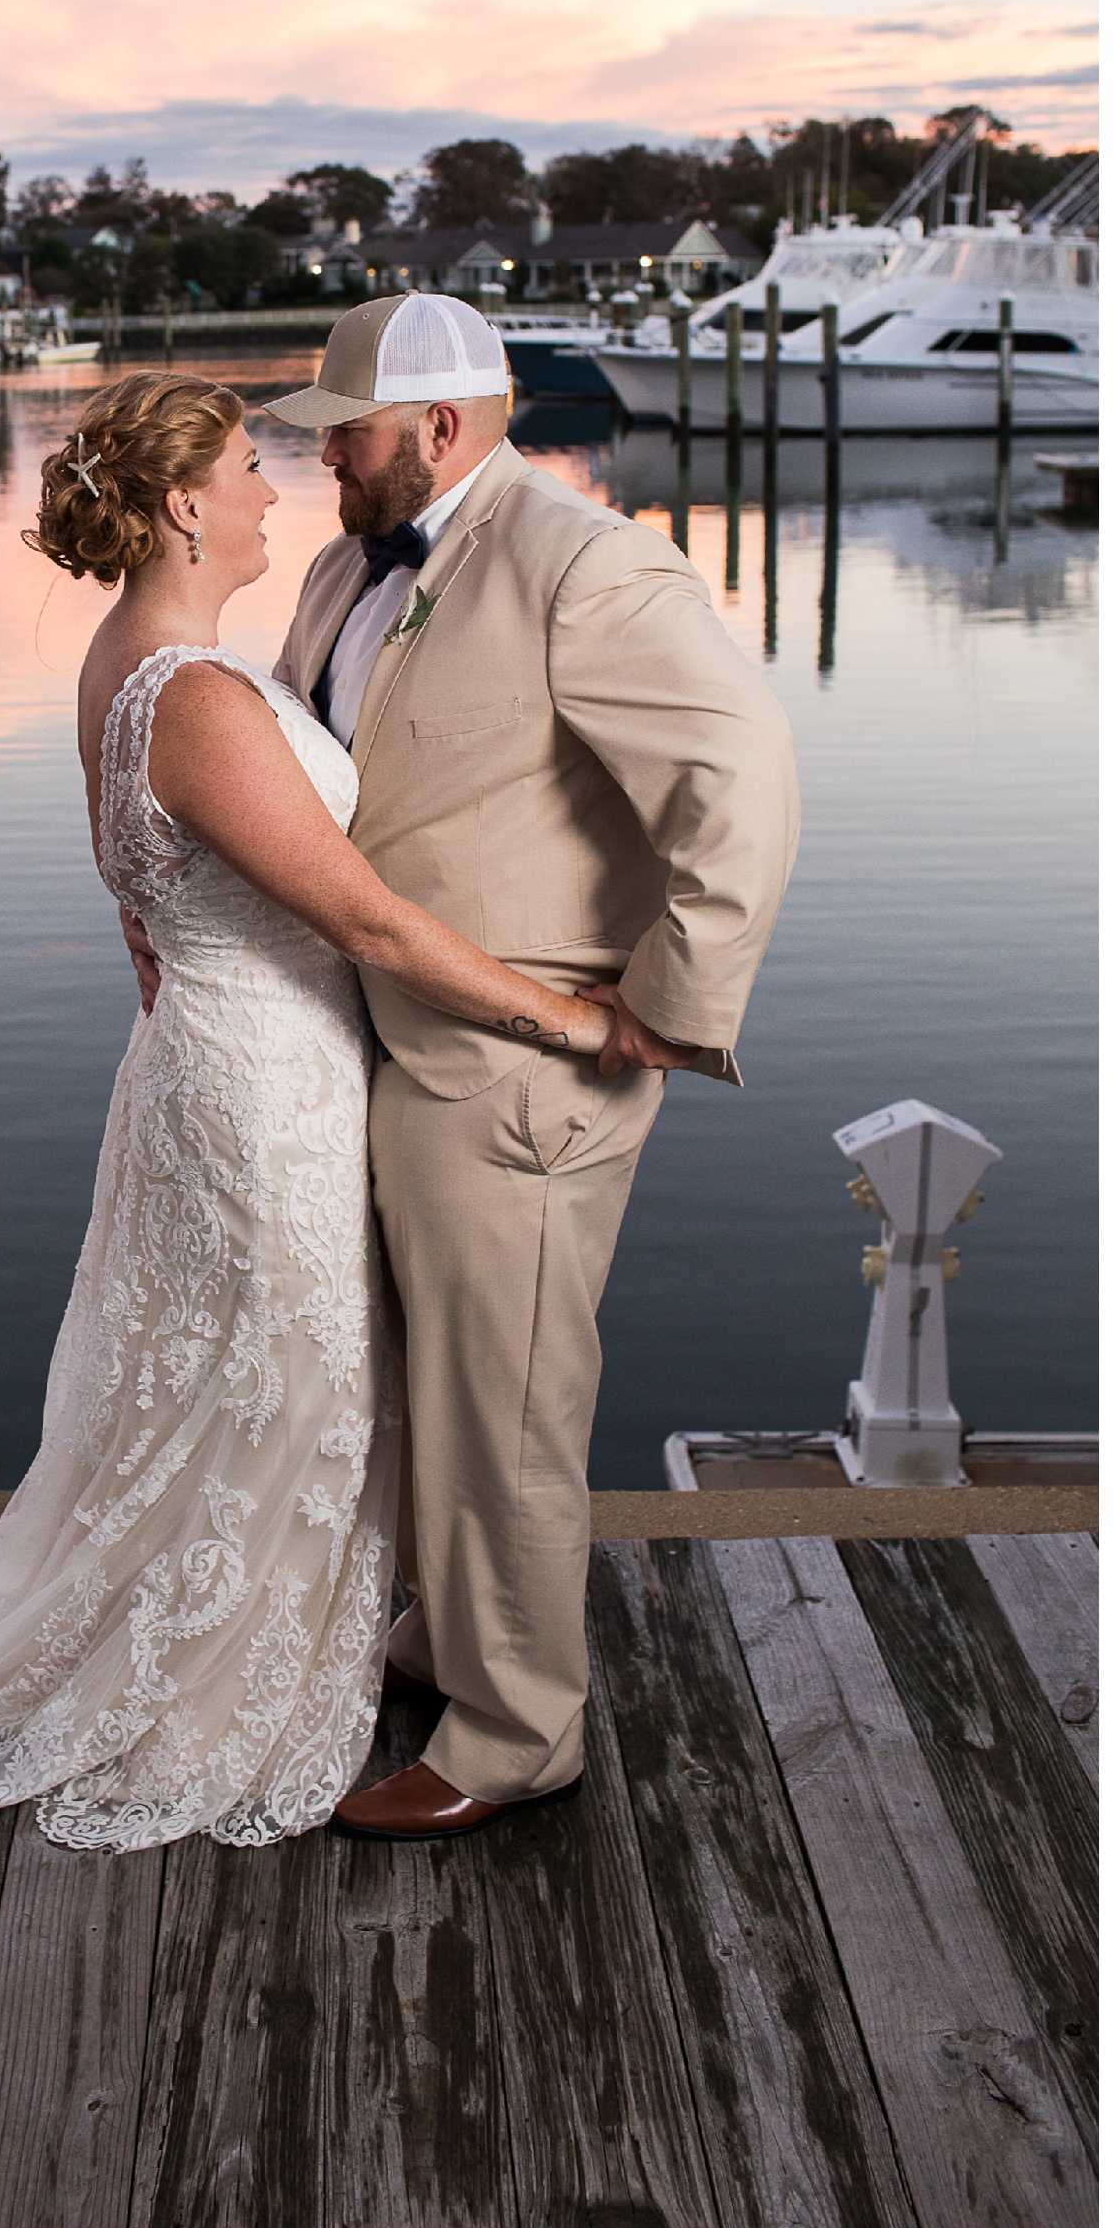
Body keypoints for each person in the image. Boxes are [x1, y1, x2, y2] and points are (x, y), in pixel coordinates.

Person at [0, 370, 628, 1851]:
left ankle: (303, 1607)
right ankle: (214, 1660)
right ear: (185, 504)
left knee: (223, 1369)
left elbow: (134, 869)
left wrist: (167, 928)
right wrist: (575, 1016)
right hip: (264, 1080)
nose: (277, 485)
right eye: (247, 465)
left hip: (210, 1048)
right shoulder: (194, 694)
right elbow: (374, 925)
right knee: (285, 1371)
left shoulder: (131, 657)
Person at [248, 289, 800, 1839]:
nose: (322, 462)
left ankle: (514, 1732)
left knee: (511, 1399)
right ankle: (451, 1632)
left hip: (525, 1060)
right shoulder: (345, 564)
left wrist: (665, 1009)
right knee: (427, 1381)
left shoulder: (586, 562)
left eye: (343, 434)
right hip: (379, 1038)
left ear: (435, 425)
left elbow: (737, 776)